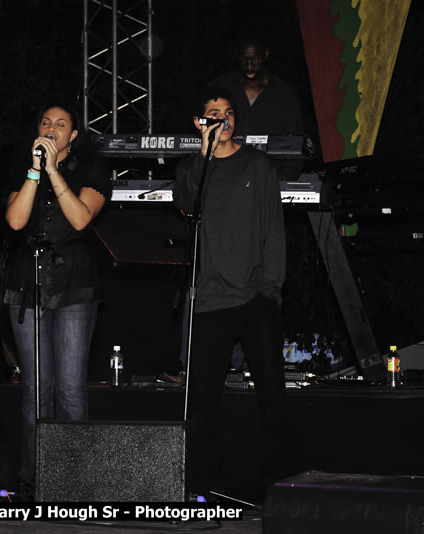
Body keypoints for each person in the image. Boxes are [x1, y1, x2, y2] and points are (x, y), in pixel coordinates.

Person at [172, 88, 287, 496]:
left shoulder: (258, 164)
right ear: (199, 122)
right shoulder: (192, 168)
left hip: (256, 297)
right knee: (204, 400)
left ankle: (275, 485)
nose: (222, 118)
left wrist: (270, 290)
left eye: (228, 112)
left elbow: (274, 229)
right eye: (213, 112)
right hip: (211, 299)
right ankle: (208, 486)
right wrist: (203, 157)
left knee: (271, 396)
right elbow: (188, 204)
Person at [4, 104, 110, 489]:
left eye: (61, 124)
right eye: (45, 122)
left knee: (70, 390)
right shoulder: (24, 167)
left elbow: (80, 218)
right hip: (27, 283)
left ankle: (73, 479)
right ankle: (34, 479)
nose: (51, 128)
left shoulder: (91, 168)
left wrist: (53, 170)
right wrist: (35, 170)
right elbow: (15, 220)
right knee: (35, 390)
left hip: (73, 284)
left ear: (73, 135)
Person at [208, 30, 304, 182]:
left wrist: (280, 182)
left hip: (269, 182)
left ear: (266, 54)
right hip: (223, 179)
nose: (249, 66)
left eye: (255, 59)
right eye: (244, 59)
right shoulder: (218, 89)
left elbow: (296, 148)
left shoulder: (285, 95)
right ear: (237, 55)